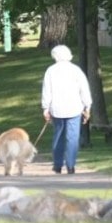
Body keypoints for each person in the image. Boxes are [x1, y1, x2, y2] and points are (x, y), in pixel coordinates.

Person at [41, 45, 92, 174]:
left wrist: (46, 108)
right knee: (72, 138)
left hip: (57, 108)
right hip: (74, 108)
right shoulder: (76, 70)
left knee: (58, 136)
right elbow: (84, 89)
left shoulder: (50, 70)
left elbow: (47, 91)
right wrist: (87, 106)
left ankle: (57, 165)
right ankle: (70, 165)